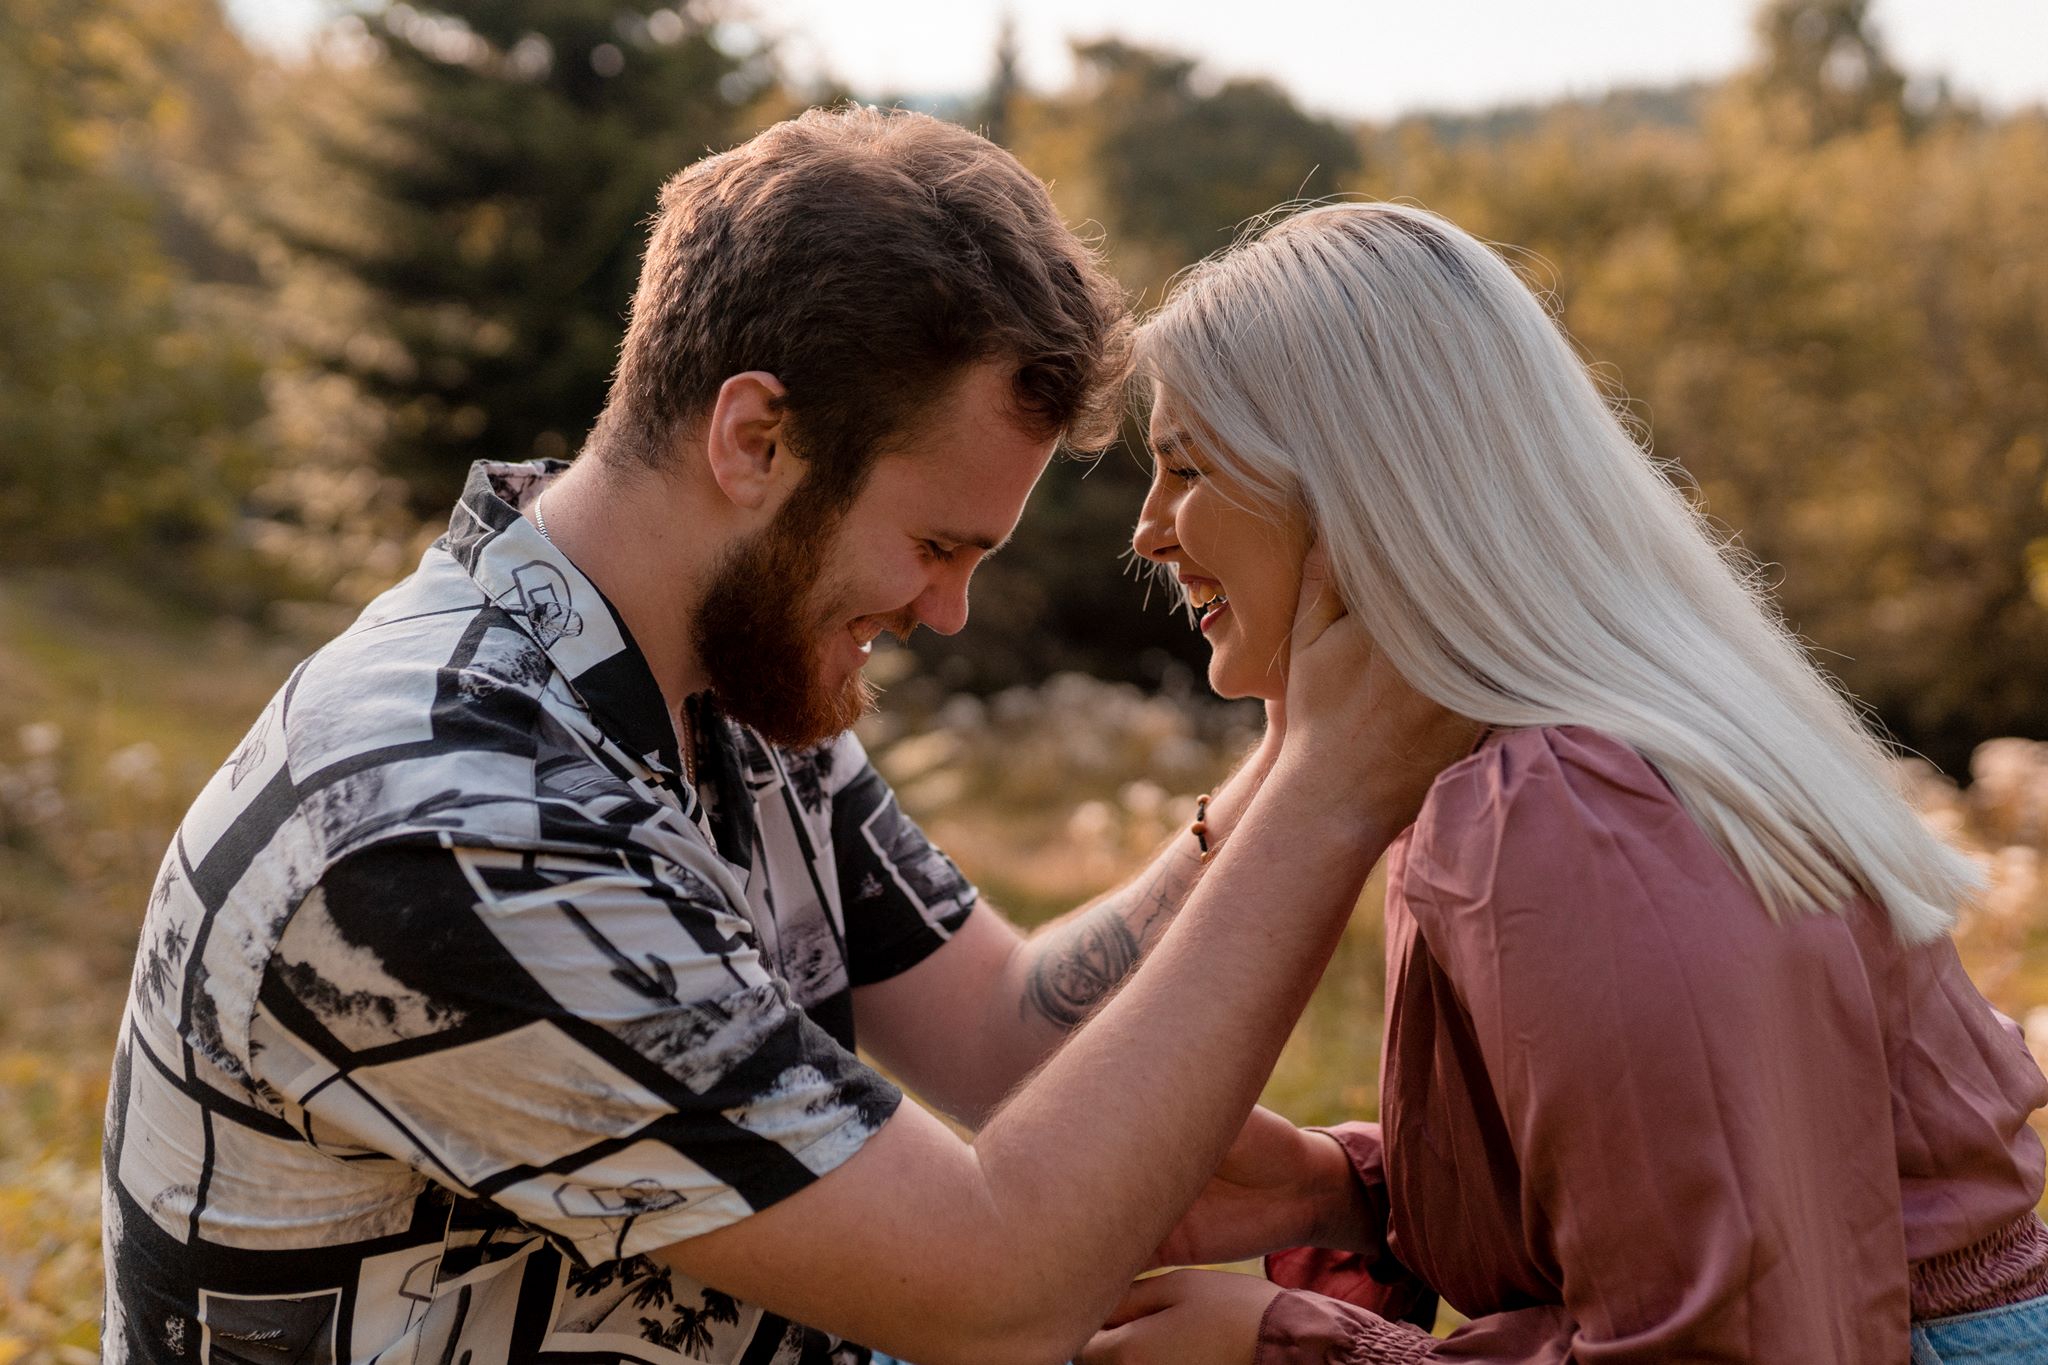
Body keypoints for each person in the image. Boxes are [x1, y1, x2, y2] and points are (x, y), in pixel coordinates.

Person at [100, 108, 1476, 1365]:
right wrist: (1331, 797)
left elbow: (1009, 1031)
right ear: (757, 437)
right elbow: (996, 1288)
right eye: (935, 544)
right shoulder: (456, 819)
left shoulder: (723, 687)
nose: (946, 612)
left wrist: (1294, 736)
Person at [1087, 203, 2048, 1364]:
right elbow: (1689, 1172)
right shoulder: (1569, 764)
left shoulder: (1569, 811)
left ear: (1357, 486)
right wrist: (1340, 1191)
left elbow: (1733, 1344)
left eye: (1184, 466)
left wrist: (1292, 1345)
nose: (1146, 531)